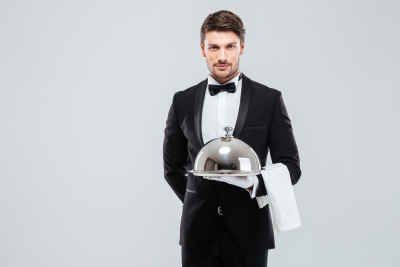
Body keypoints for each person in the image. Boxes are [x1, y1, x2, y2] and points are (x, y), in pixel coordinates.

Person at [163, 10, 301, 267]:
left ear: (242, 47)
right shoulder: (181, 101)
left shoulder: (269, 100)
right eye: (214, 47)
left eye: (230, 46)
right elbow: (172, 168)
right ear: (203, 48)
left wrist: (254, 186)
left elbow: (291, 167)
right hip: (197, 232)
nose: (222, 56)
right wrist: (199, 199)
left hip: (250, 230)